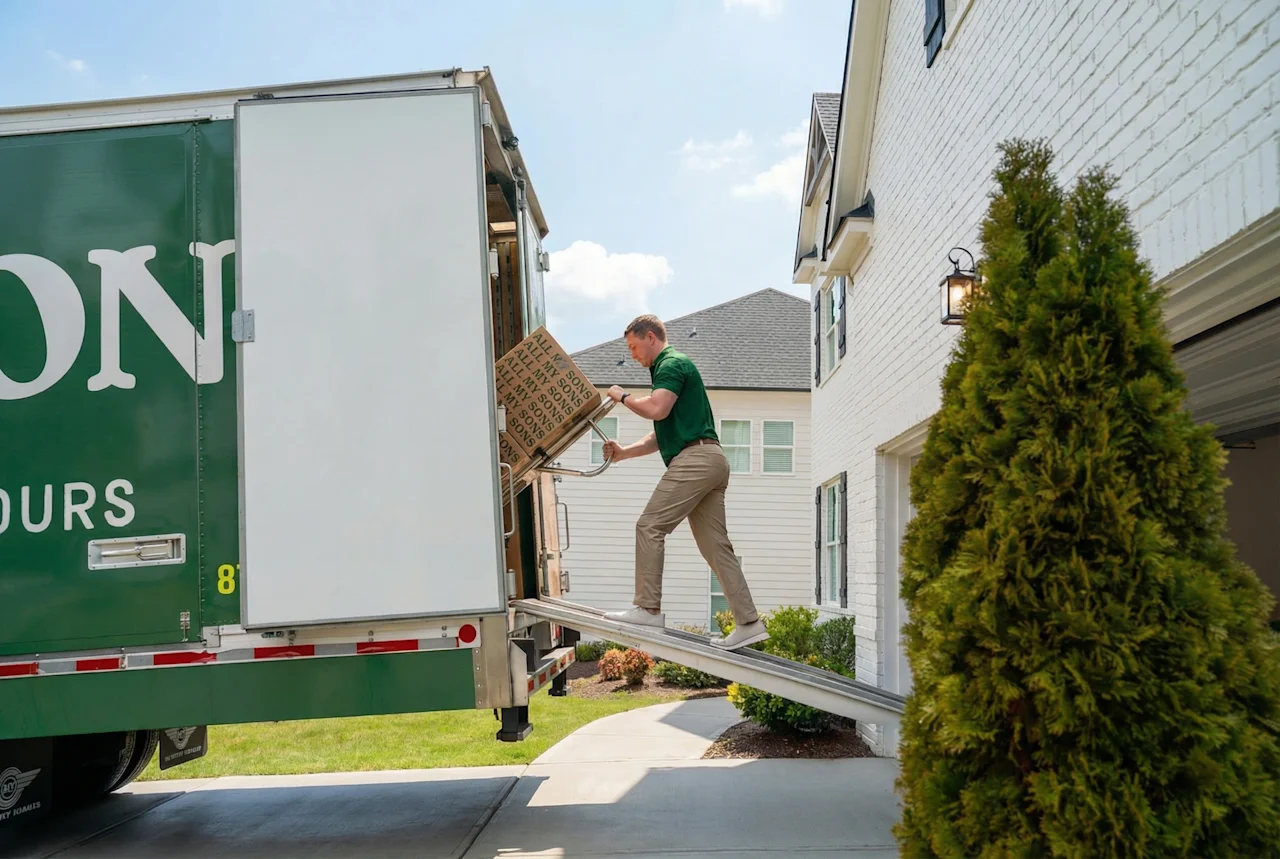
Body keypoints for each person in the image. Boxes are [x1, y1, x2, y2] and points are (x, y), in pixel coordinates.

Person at [599, 314, 769, 651]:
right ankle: (749, 623)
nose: (632, 354)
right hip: (710, 459)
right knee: (715, 547)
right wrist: (624, 453)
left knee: (649, 526)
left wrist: (622, 396)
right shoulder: (669, 371)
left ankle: (647, 609)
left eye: (633, 346)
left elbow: (657, 409)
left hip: (697, 460)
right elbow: (660, 434)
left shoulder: (671, 363)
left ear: (651, 337)